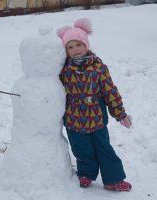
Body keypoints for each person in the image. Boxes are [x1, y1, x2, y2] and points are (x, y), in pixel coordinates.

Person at [56, 18, 132, 191]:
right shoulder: (64, 71)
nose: (75, 50)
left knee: (104, 150)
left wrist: (120, 114)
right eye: (70, 47)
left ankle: (113, 179)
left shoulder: (99, 68)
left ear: (86, 45)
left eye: (78, 45)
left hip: (97, 120)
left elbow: (110, 92)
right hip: (74, 121)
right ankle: (85, 174)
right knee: (82, 151)